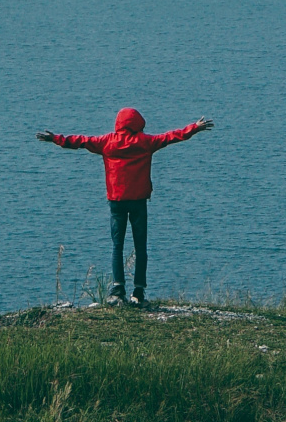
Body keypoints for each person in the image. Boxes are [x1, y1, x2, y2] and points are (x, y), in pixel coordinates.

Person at [37, 108, 214, 305]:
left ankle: (118, 288)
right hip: (138, 201)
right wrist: (194, 128)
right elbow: (171, 137)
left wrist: (56, 139)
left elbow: (81, 141)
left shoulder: (106, 142)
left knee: (117, 246)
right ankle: (138, 291)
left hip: (116, 201)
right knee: (140, 247)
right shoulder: (146, 143)